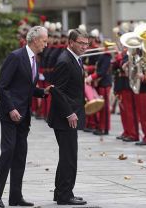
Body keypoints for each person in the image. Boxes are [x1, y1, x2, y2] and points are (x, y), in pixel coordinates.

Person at [0, 26, 51, 208]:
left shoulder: (35, 60)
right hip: (10, 114)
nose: (46, 44)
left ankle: (15, 197)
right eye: (44, 40)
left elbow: (27, 88)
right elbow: (3, 85)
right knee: (8, 152)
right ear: (34, 40)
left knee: (20, 155)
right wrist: (11, 109)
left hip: (24, 116)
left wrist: (42, 92)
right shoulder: (15, 56)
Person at [47, 28, 88, 205]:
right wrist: (70, 113)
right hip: (65, 118)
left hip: (69, 115)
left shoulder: (75, 59)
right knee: (69, 157)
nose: (84, 47)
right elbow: (58, 91)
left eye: (86, 44)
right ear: (71, 43)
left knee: (66, 156)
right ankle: (65, 195)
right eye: (81, 43)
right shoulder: (65, 61)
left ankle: (61, 192)